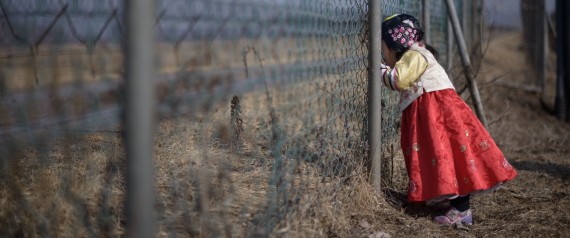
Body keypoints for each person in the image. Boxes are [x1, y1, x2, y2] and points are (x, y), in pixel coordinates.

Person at [379, 14, 517, 226]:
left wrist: (377, 69)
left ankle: (461, 210)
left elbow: (398, 80)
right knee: (439, 155)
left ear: (395, 44)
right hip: (432, 114)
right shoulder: (415, 55)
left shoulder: (416, 55)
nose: (382, 54)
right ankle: (448, 200)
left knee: (450, 156)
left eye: (383, 48)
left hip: (437, 114)